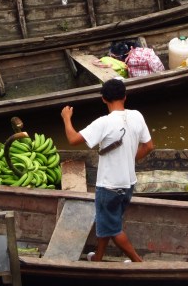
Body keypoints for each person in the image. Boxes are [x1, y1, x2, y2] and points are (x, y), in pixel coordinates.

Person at [61, 79, 154, 262]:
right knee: (108, 222)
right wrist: (129, 159)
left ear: (103, 99)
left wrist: (66, 118)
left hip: (109, 186)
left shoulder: (104, 122)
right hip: (128, 184)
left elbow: (73, 139)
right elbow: (149, 146)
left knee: (113, 228)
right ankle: (98, 258)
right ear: (125, 97)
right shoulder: (137, 115)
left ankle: (138, 263)